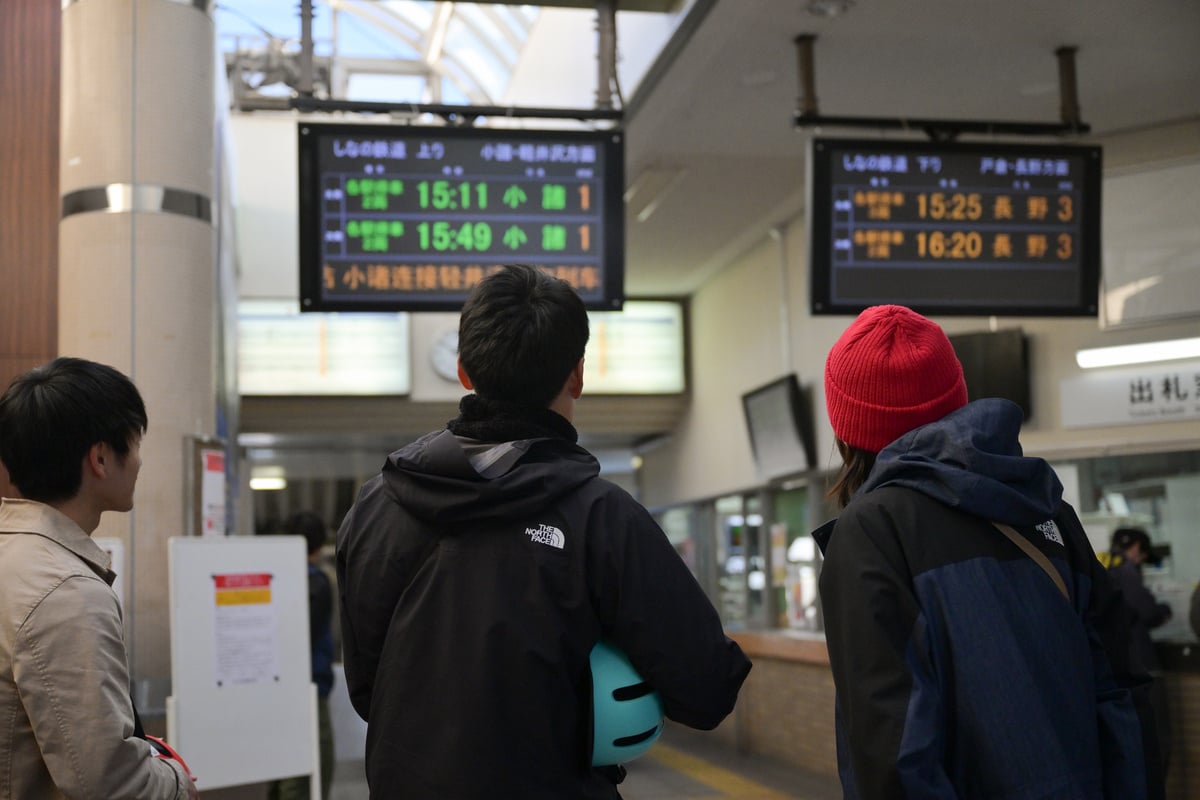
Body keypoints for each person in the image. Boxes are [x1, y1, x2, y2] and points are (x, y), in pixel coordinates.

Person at [337, 264, 751, 798]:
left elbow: (367, 689)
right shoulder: (602, 517)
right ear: (577, 374)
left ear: (464, 371)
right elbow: (707, 689)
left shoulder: (375, 507)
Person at [812, 305, 1157, 800]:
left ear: (848, 429)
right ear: (956, 396)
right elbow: (1120, 694)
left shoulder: (872, 531)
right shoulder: (1047, 511)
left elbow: (893, 745)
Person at [0, 357, 198, 799]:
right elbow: (110, 782)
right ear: (102, 457)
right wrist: (178, 782)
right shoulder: (65, 592)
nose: (142, 462)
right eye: (136, 443)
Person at [269, 511, 336, 800]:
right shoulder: (317, 582)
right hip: (308, 690)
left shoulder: (274, 578)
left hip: (275, 688)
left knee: (283, 772)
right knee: (311, 772)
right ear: (319, 545)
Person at [1102, 527, 1173, 774]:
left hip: (1114, 666)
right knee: (1156, 738)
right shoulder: (1126, 570)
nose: (1141, 560)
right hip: (1141, 664)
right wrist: (1164, 610)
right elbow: (1148, 612)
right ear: (1135, 549)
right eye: (1142, 555)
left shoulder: (1101, 563)